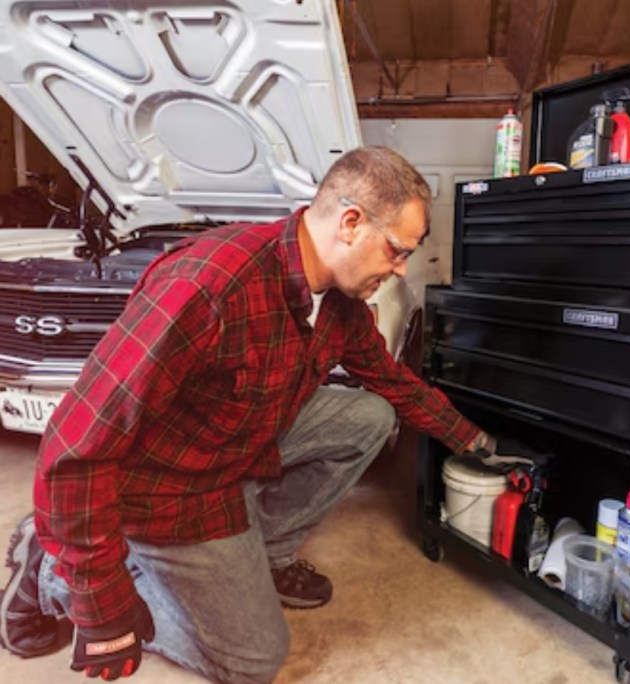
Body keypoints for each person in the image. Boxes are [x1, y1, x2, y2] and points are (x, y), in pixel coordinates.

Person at [0, 146, 505, 683]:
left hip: (235, 449)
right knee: (254, 660)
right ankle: (53, 572)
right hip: (167, 491)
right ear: (352, 223)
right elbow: (76, 447)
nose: (401, 268)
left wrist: (475, 443)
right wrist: (99, 604)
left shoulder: (339, 305)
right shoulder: (210, 284)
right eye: (397, 250)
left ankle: (265, 556)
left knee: (370, 416)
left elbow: (392, 381)